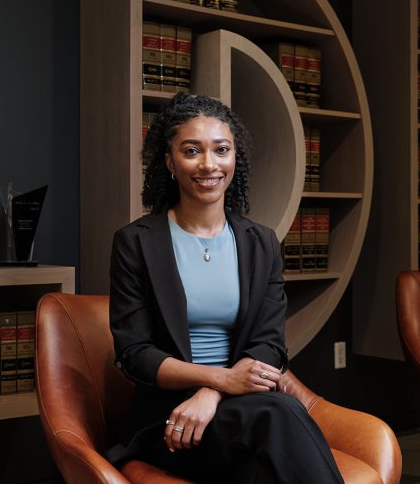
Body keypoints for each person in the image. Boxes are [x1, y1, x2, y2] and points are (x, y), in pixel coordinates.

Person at [109, 92, 344, 484]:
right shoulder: (136, 242)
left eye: (221, 149)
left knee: (262, 469)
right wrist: (219, 379)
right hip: (172, 420)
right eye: (191, 151)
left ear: (236, 158)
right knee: (281, 412)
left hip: (241, 406)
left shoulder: (260, 242)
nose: (209, 164)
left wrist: (213, 393)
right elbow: (135, 354)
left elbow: (270, 344)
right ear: (169, 162)